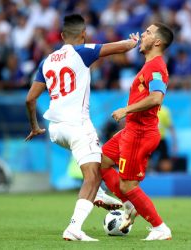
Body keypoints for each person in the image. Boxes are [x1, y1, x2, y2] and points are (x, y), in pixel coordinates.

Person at [25, 14, 139, 241]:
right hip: (77, 125)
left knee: (95, 168)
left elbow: (30, 99)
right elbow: (122, 48)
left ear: (61, 36)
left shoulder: (46, 61)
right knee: (94, 174)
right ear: (84, 34)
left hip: (55, 130)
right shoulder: (83, 51)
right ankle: (74, 227)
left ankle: (99, 195)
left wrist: (35, 127)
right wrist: (134, 41)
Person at [99, 22, 174, 240]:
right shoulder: (148, 65)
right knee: (102, 160)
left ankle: (160, 228)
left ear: (158, 42)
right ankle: (129, 204)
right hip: (132, 129)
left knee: (128, 184)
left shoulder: (157, 67)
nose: (143, 34)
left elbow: (156, 97)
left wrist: (126, 110)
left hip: (141, 132)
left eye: (148, 33)